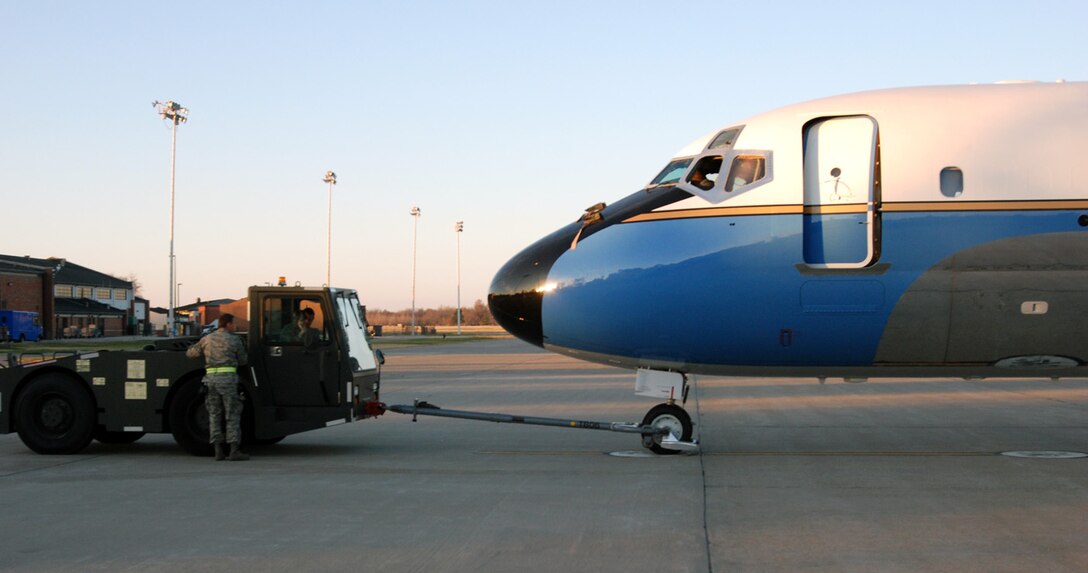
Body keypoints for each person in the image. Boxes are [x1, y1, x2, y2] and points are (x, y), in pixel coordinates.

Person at [186, 313, 250, 461]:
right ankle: (234, 450)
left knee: (214, 415)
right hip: (228, 381)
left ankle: (218, 450)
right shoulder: (235, 340)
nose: (234, 326)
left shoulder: (207, 339)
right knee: (232, 415)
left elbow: (191, 353)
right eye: (233, 323)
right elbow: (243, 361)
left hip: (211, 381)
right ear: (227, 324)